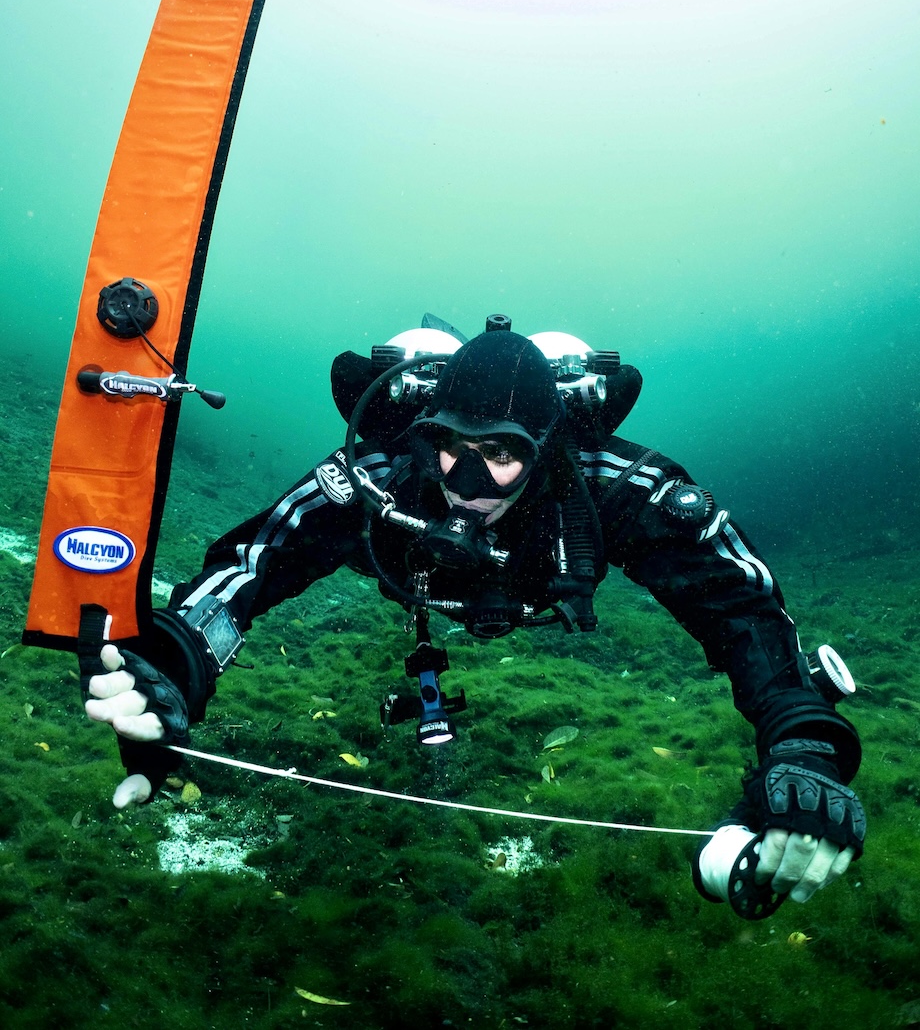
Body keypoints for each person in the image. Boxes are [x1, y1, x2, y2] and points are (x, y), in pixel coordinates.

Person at [83, 318, 866, 920]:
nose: (467, 479)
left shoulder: (610, 489)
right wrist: (173, 664)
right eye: (449, 445)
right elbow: (253, 563)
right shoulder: (381, 480)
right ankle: (430, 353)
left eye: (502, 452)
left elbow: (742, 609)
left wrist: (800, 743)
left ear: (548, 449)